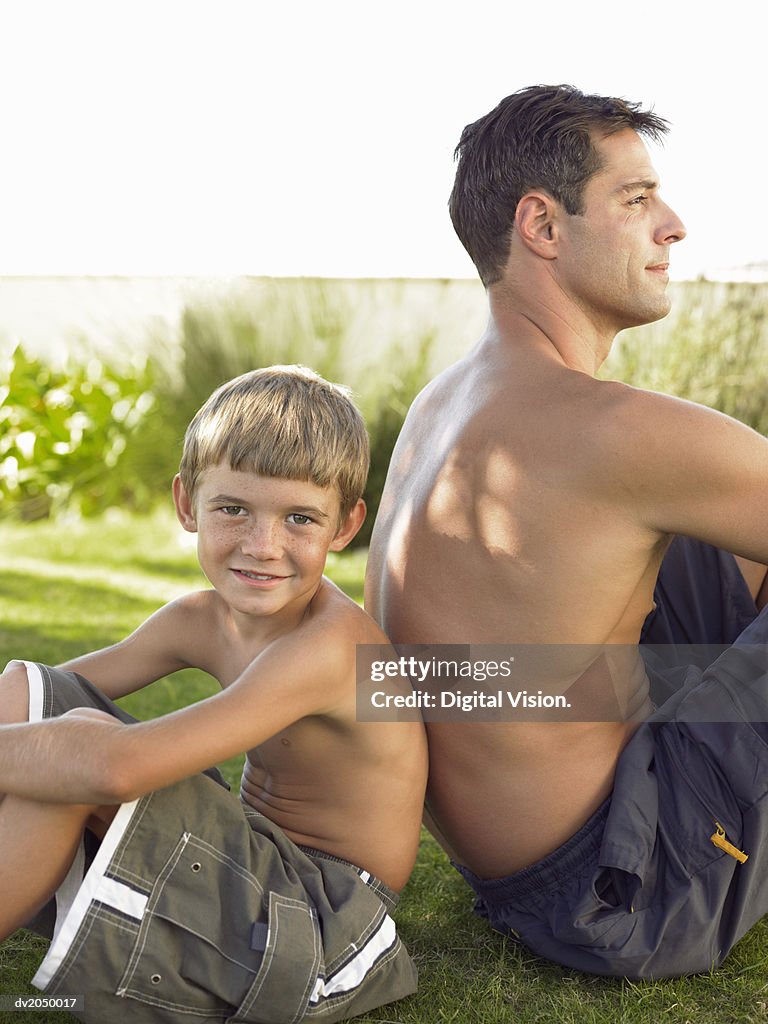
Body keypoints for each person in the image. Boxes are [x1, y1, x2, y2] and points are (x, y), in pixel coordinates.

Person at [365, 84, 768, 979]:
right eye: (635, 200)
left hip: (520, 869)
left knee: (716, 529)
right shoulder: (615, 433)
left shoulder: (444, 404)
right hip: (626, 888)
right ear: (542, 226)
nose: (673, 225)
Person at [0, 365, 426, 1023]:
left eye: (300, 519)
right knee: (27, 688)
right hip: (248, 861)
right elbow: (39, 702)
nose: (263, 547)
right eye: (233, 509)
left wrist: (54, 748)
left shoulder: (329, 646)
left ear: (345, 526)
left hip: (323, 921)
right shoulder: (198, 619)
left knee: (81, 754)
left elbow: (119, 766)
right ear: (186, 503)